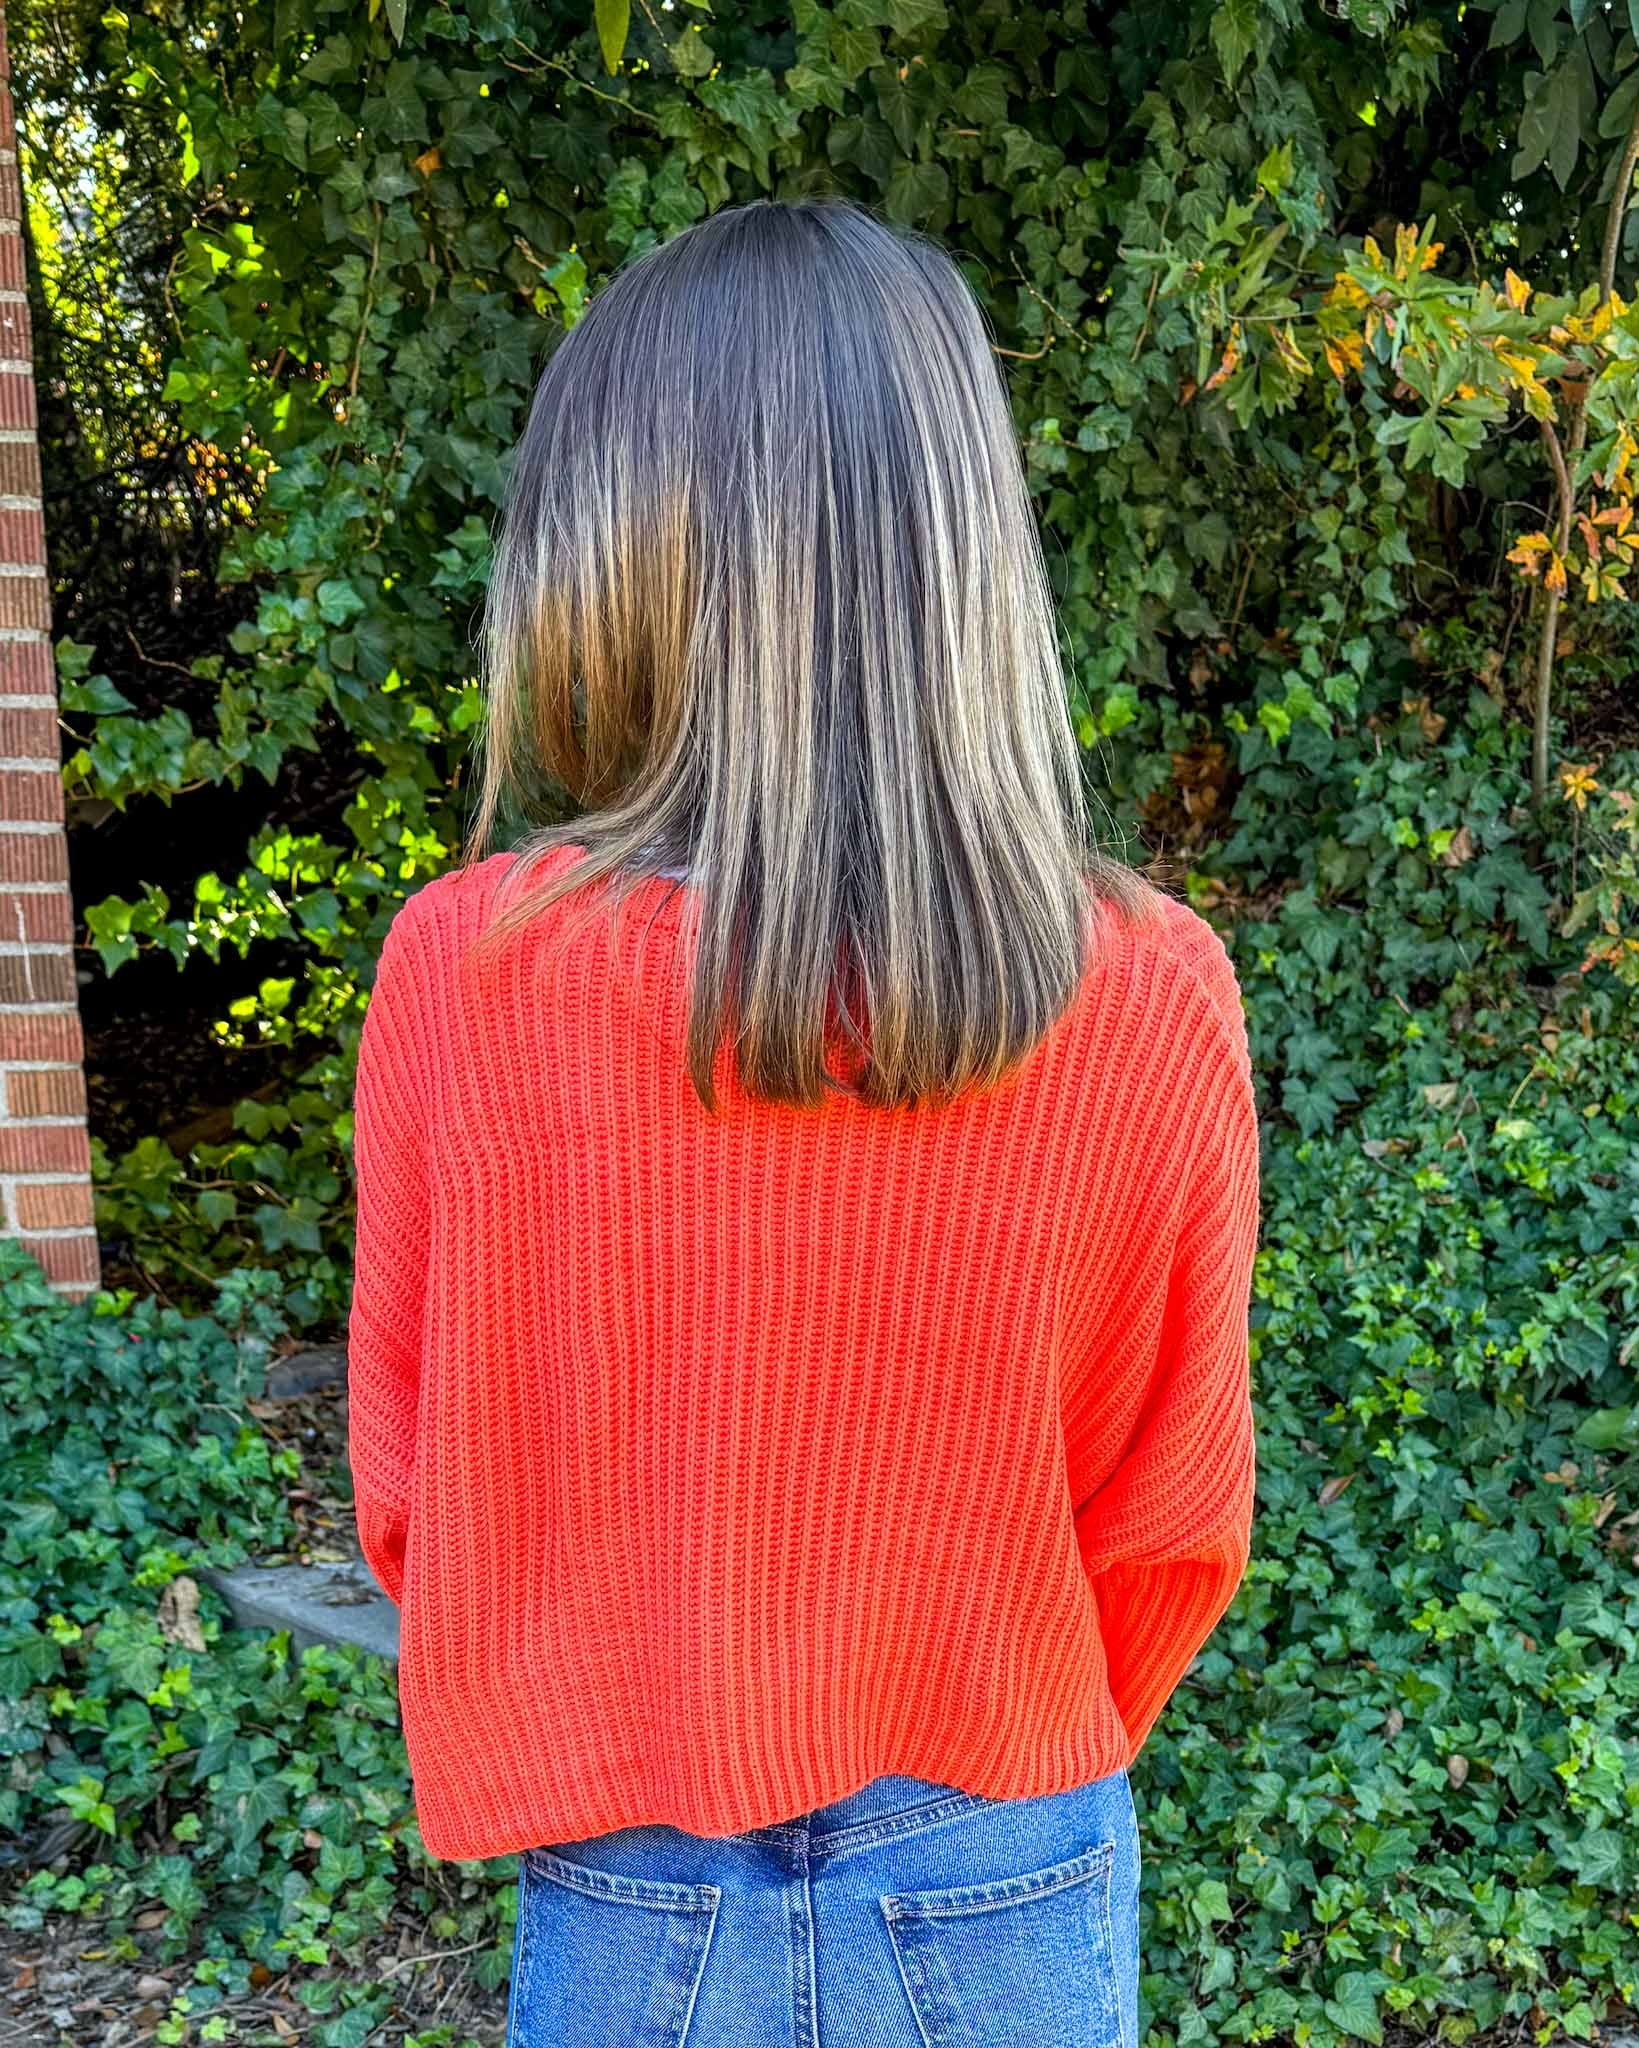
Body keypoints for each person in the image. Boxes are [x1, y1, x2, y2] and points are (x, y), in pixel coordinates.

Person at [348, 196, 1260, 2048]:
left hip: (632, 1866)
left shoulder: (468, 974)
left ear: (614, 545)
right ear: (956, 548)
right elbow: (1169, 1523)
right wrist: (981, 1709)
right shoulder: (1148, 994)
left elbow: (416, 1497)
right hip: (1004, 1859)